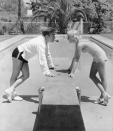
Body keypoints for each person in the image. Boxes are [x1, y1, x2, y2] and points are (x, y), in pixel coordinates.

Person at [67, 13, 111, 106]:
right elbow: (75, 57)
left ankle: (104, 95)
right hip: (97, 57)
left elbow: (77, 59)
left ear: (74, 37)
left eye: (69, 38)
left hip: (100, 57)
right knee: (92, 75)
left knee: (102, 78)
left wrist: (73, 73)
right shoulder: (79, 41)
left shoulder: (80, 44)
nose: (68, 39)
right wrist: (70, 68)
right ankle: (104, 95)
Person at [3, 26, 55, 102]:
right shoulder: (41, 43)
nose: (54, 37)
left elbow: (47, 54)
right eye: (53, 35)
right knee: (15, 74)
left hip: (23, 56)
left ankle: (10, 90)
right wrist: (46, 72)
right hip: (18, 53)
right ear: (47, 36)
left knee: (26, 75)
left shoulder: (45, 42)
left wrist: (51, 66)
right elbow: (42, 58)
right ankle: (11, 93)